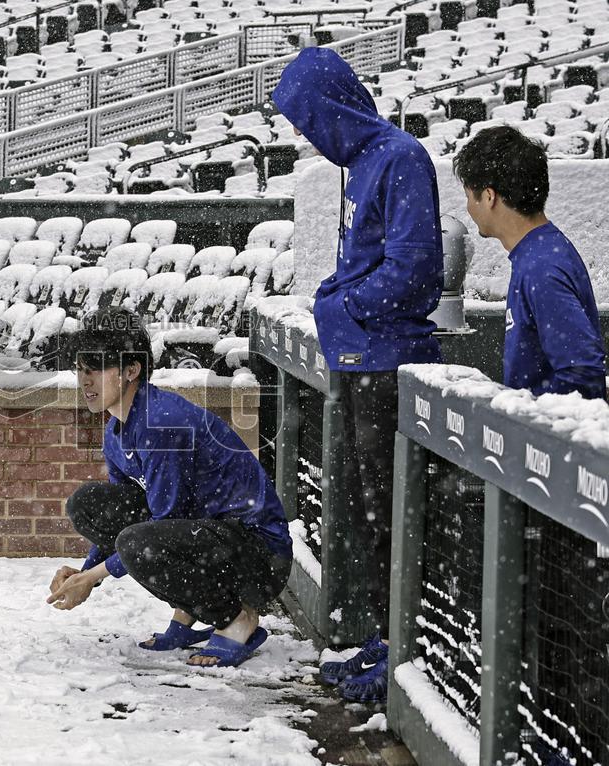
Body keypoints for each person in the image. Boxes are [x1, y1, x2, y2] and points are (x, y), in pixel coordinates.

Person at [270, 47, 445, 702]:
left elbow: (413, 273)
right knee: (368, 516)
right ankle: (386, 638)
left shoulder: (399, 157)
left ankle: (406, 653)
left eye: (306, 118)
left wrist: (339, 305)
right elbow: (368, 262)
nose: (302, 135)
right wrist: (332, 295)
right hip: (359, 362)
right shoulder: (363, 163)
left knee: (392, 518)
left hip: (388, 366)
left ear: (332, 107)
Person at [47, 308, 293, 669]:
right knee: (88, 504)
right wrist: (85, 574)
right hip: (209, 538)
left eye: (96, 369)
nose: (85, 381)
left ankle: (237, 618)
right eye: (81, 369)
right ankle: (188, 612)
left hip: (258, 555)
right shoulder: (116, 432)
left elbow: (157, 527)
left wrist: (92, 577)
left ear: (132, 370)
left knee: (139, 542)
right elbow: (128, 518)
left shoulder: (162, 423)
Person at [453, 125, 606, 400]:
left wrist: (523, 409)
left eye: (468, 196)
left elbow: (583, 372)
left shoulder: (542, 266)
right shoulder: (537, 252)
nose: (468, 207)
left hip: (550, 439)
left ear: (489, 197)